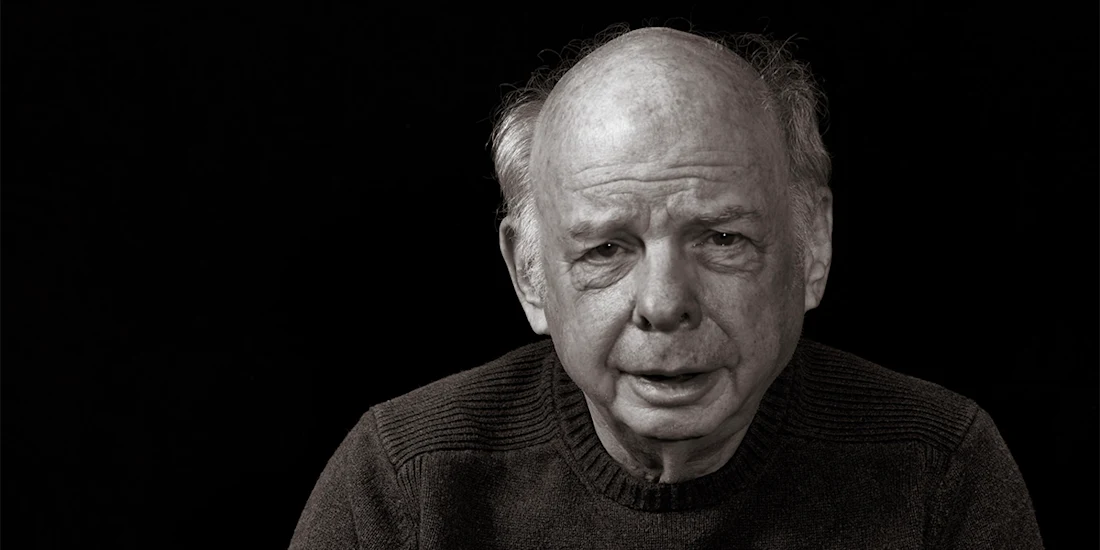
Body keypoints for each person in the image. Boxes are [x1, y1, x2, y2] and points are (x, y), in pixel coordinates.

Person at [289, 25, 1044, 549]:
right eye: (607, 248)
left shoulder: (939, 469)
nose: (663, 303)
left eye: (721, 238)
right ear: (530, 275)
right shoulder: (405, 484)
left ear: (811, 247)